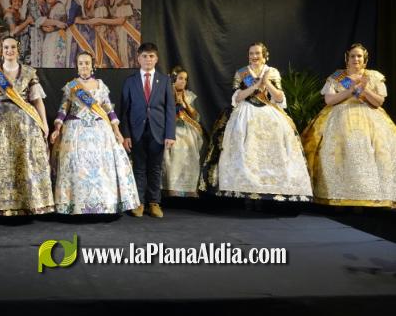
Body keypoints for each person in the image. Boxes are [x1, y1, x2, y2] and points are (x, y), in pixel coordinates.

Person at [206, 42, 311, 202]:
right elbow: (237, 98)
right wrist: (256, 86)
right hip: (245, 110)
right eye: (251, 53)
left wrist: (266, 82)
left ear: (264, 55)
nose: (254, 56)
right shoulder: (241, 73)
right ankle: (245, 190)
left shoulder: (272, 72)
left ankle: (270, 189)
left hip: (268, 111)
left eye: (257, 53)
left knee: (278, 134)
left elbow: (279, 98)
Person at [302, 43, 396, 207]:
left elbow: (379, 102)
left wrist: (364, 89)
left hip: (370, 116)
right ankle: (339, 196)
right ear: (347, 58)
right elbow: (329, 100)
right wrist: (351, 90)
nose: (356, 59)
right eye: (352, 56)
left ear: (365, 59)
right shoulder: (337, 77)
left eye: (359, 56)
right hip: (340, 115)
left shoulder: (373, 76)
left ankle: (371, 196)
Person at [0, 36, 54, 215]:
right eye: (6, 48)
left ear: (18, 50)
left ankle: (25, 204)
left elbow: (37, 101)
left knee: (24, 161)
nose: (9, 51)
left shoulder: (29, 72)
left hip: (24, 124)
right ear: (1, 51)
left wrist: (44, 123)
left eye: (12, 47)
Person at [50, 52, 139, 214]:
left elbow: (109, 110)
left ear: (92, 65)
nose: (84, 66)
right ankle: (74, 205)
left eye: (87, 63)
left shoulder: (100, 85)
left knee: (103, 166)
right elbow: (63, 109)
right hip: (75, 131)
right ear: (77, 66)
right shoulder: (72, 85)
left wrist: (117, 131)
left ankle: (104, 204)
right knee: (75, 165)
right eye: (81, 63)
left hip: (100, 130)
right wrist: (57, 128)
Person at [120, 43, 176, 217]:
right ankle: (139, 203)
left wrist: (170, 134)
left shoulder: (164, 81)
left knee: (155, 168)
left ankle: (154, 202)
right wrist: (126, 135)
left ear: (156, 59)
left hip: (158, 131)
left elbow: (170, 109)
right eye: (144, 56)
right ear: (138, 58)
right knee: (138, 168)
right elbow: (124, 111)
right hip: (136, 132)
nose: (148, 59)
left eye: (151, 56)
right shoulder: (130, 81)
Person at [161, 66, 205, 197]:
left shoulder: (188, 95)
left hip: (186, 130)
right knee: (173, 155)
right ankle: (171, 188)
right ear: (173, 79)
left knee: (190, 153)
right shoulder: (165, 93)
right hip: (171, 130)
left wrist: (185, 103)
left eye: (185, 79)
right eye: (180, 78)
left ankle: (187, 189)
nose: (183, 81)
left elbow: (195, 117)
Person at [40, 0, 68, 67]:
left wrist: (50, 27)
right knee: (48, 61)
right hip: (50, 36)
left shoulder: (59, 6)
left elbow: (62, 24)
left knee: (55, 61)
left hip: (57, 36)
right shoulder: (49, 7)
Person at [59, 0, 83, 67]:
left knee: (72, 53)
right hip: (70, 29)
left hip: (75, 30)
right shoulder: (68, 0)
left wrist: (59, 27)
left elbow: (71, 19)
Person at [4, 0, 33, 65]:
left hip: (19, 45)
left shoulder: (19, 14)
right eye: (15, 1)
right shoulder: (9, 14)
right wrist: (27, 21)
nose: (17, 3)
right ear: (11, 2)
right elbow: (14, 32)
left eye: (19, 1)